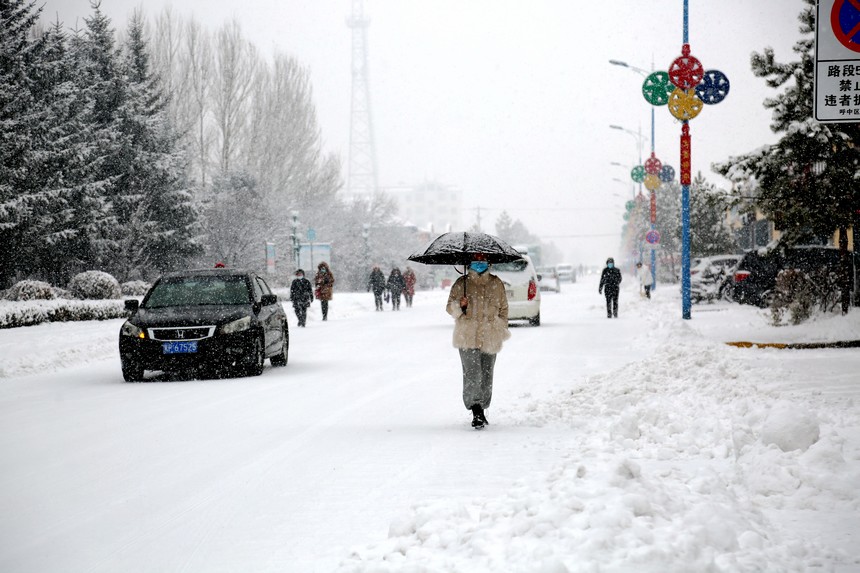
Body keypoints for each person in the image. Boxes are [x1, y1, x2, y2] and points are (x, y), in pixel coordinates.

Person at [446, 253, 511, 429]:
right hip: (467, 335)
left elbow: (504, 309)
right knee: (472, 373)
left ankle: (482, 407)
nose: (479, 264)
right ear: (470, 263)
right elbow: (449, 308)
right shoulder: (462, 284)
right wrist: (461, 305)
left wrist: (501, 327)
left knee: (487, 374)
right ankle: (476, 410)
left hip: (490, 335)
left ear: (488, 263)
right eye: (476, 261)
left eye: (483, 261)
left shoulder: (496, 283)